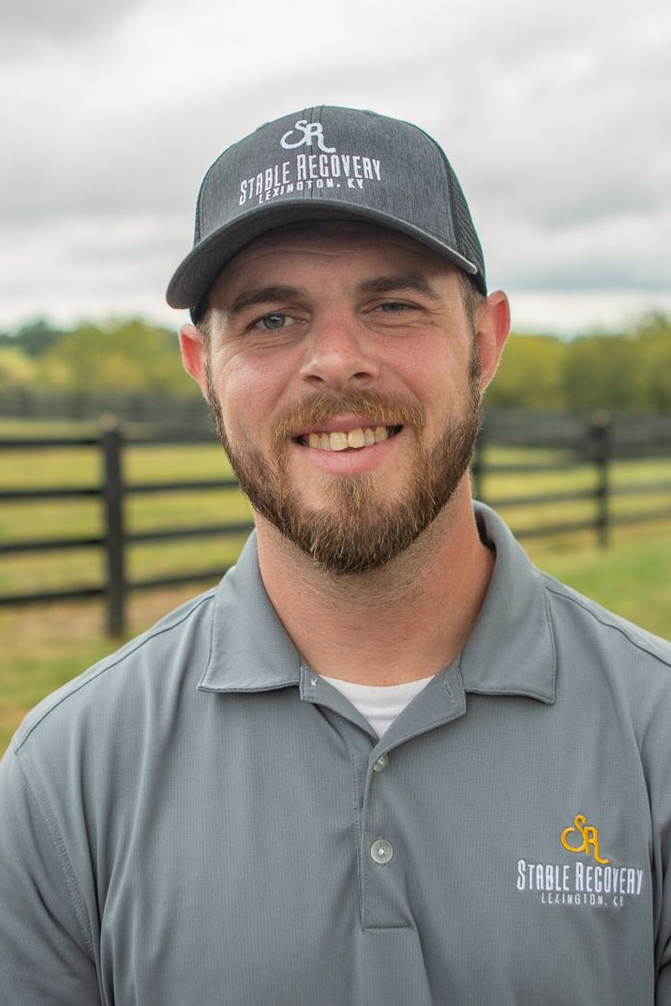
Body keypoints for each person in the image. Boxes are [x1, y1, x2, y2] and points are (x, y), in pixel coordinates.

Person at [1, 105, 670, 1006]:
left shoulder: (654, 737)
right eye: (272, 319)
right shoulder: (63, 779)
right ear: (202, 365)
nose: (336, 362)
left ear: (484, 342)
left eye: (392, 306)